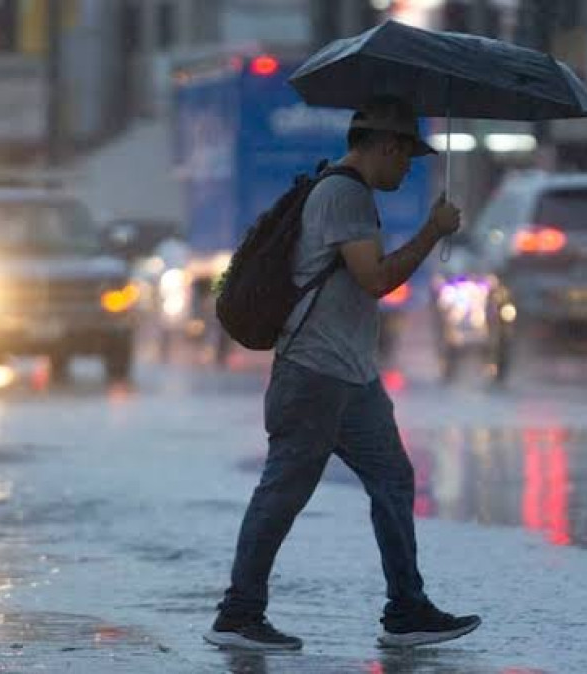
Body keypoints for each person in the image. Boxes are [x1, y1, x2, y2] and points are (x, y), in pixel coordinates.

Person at [204, 96, 480, 651]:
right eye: (407, 158)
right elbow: (375, 278)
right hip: (314, 374)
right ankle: (238, 614)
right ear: (385, 146)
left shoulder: (347, 194)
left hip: (350, 378)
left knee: (394, 481)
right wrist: (431, 231)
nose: (409, 169)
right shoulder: (344, 194)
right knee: (283, 491)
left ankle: (407, 609)